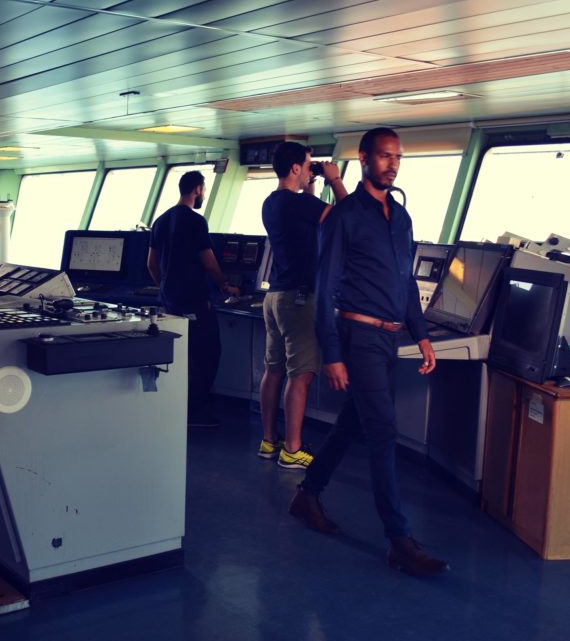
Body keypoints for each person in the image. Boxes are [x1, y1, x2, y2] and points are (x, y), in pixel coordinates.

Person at [288, 128, 449, 576]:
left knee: (351, 425)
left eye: (397, 156)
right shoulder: (344, 216)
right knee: (383, 431)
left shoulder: (401, 218)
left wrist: (420, 334)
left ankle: (307, 495)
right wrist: (333, 353)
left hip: (388, 338)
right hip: (356, 337)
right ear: (363, 159)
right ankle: (399, 539)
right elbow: (324, 291)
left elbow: (405, 283)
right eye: (383, 156)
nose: (392, 163)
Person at [258, 142, 348, 469]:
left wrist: (310, 186)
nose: (311, 169)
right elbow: (348, 215)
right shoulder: (299, 204)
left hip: (275, 297)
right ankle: (292, 449)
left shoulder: (272, 202)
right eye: (308, 165)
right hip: (298, 301)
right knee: (301, 375)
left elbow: (309, 219)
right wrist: (334, 179)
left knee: (273, 370)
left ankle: (270, 441)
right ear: (295, 168)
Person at [148, 170, 238, 427]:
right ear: (197, 189)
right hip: (195, 301)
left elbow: (151, 264)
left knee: (180, 356)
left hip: (169, 301)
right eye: (204, 190)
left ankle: (178, 408)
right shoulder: (195, 221)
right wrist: (225, 285)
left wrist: (166, 288)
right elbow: (209, 262)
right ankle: (196, 413)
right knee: (207, 354)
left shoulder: (160, 221)